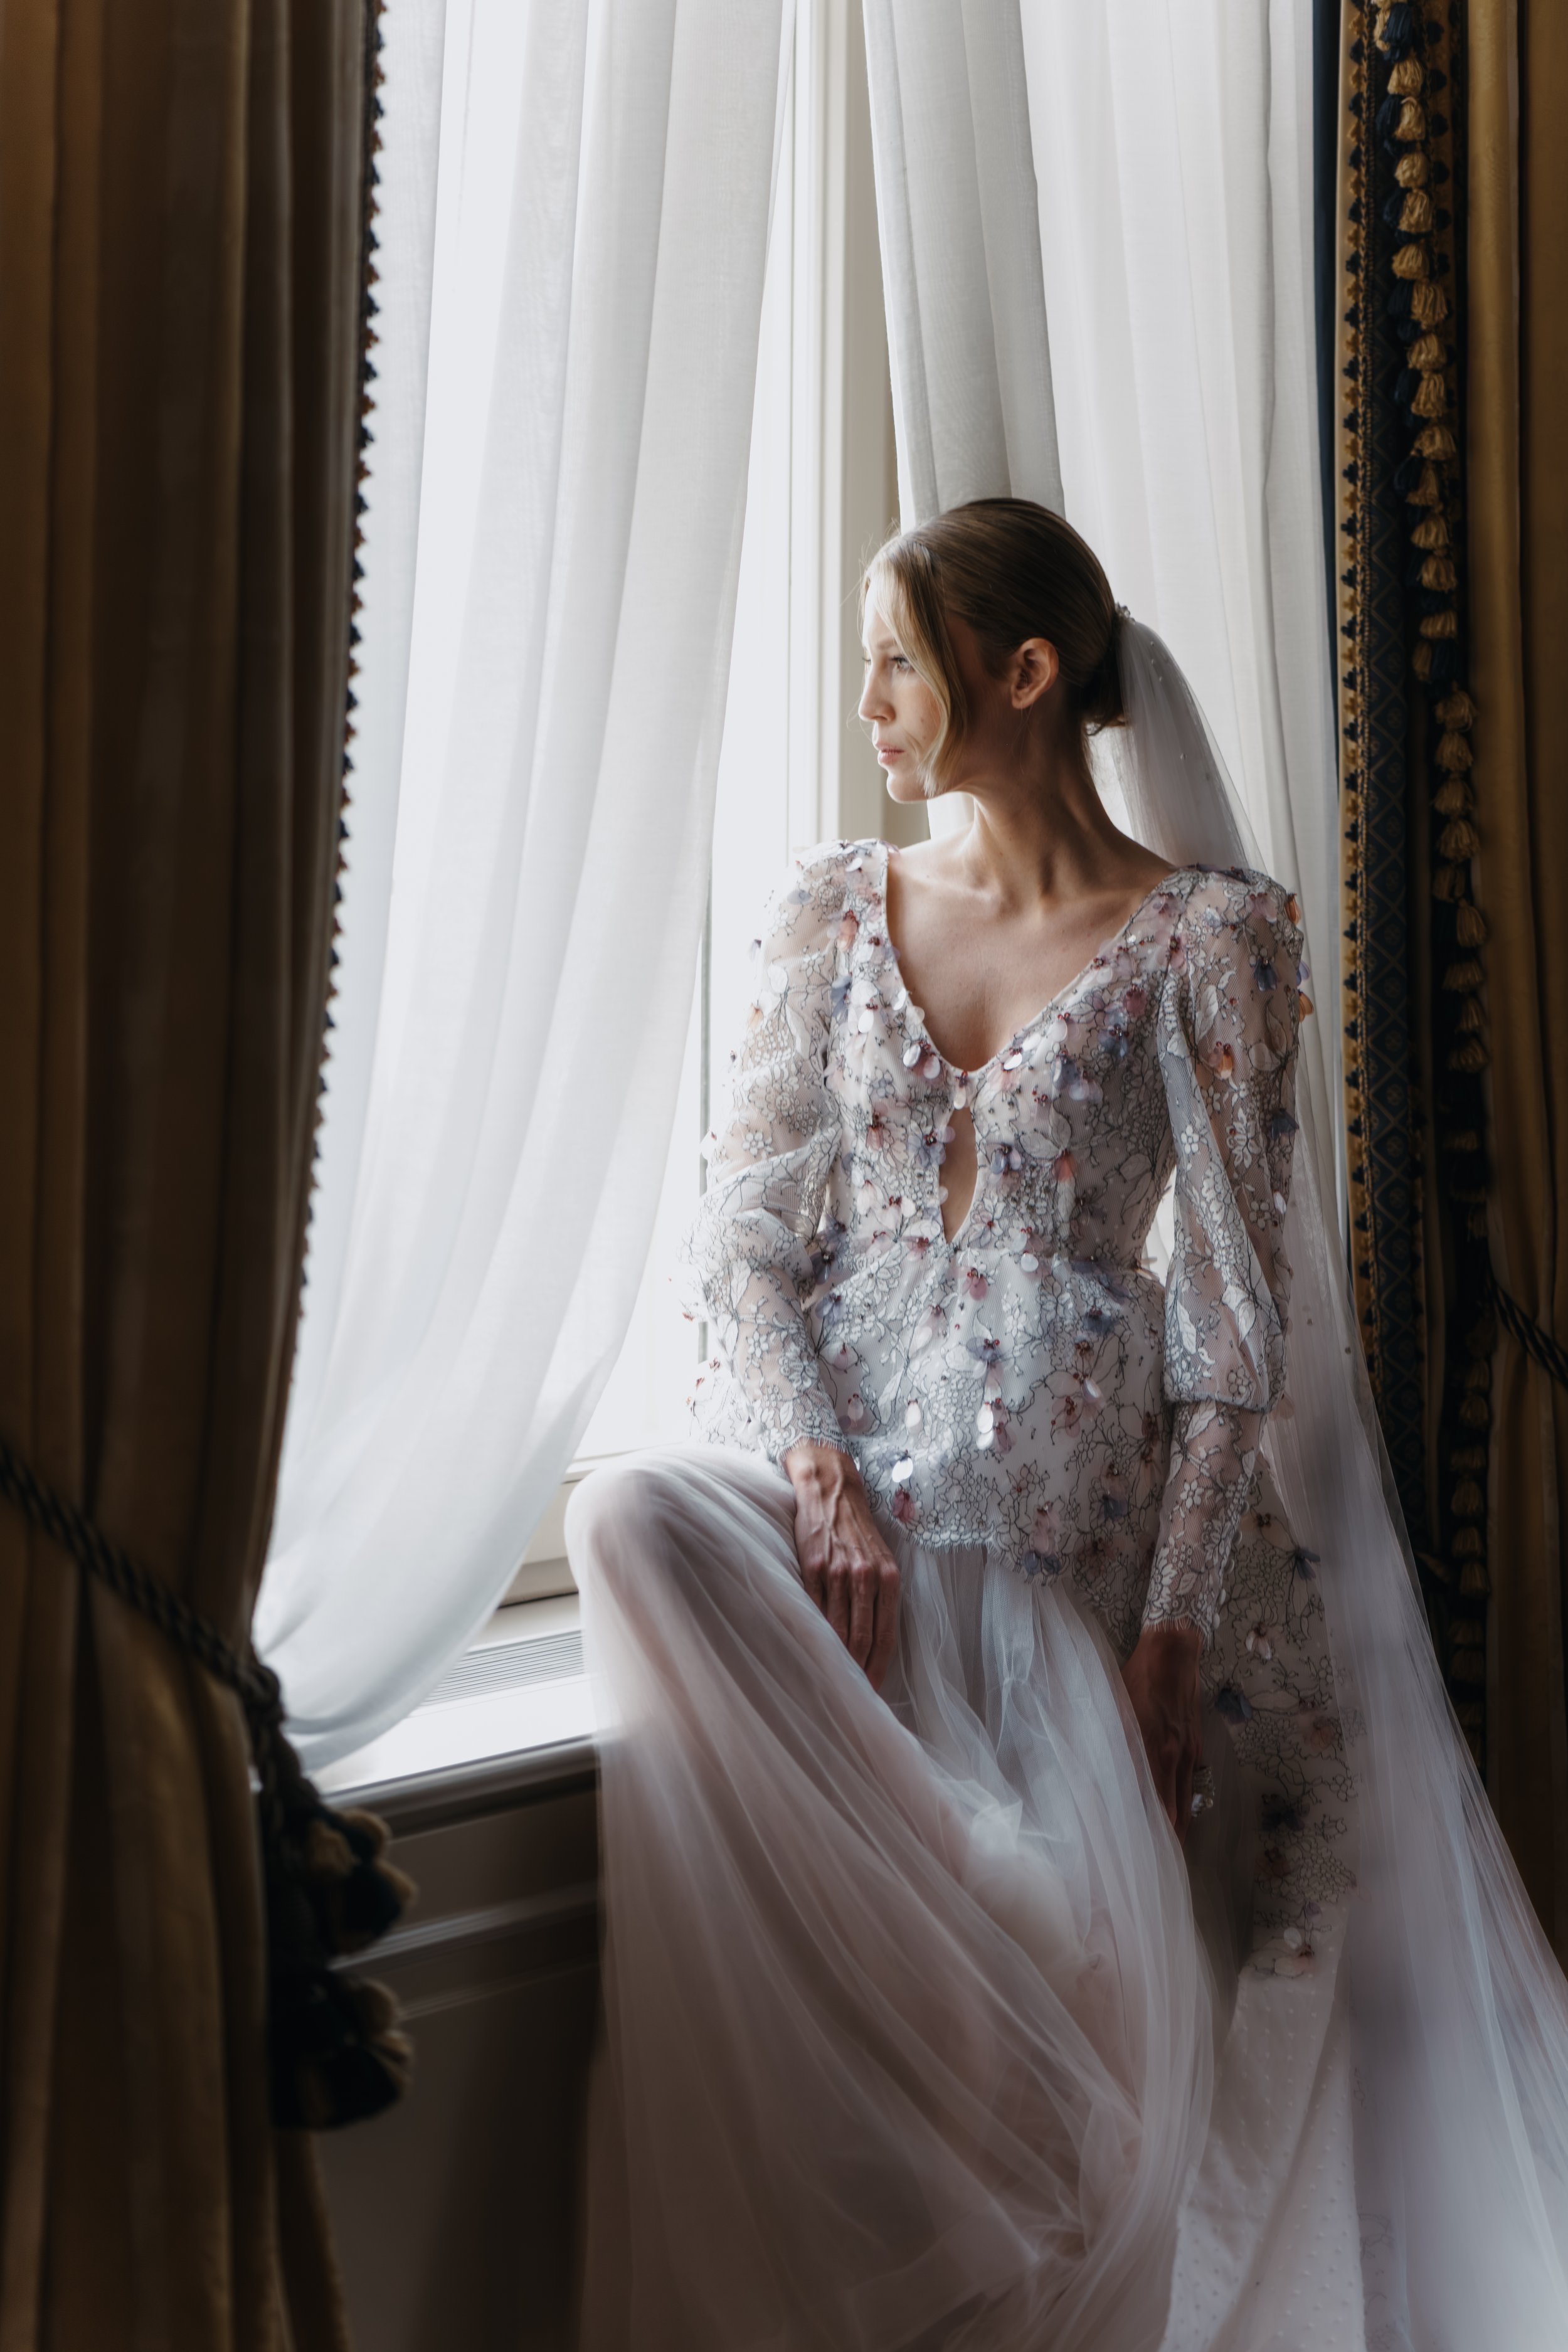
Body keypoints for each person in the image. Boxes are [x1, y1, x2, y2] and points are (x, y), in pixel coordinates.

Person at [569, 501, 1568, 2352]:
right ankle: (956, 1869)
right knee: (627, 1520)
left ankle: (1020, 2092)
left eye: (894, 656)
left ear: (1019, 675)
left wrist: (1175, 1624)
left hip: (1060, 1544)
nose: (865, 695)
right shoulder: (829, 904)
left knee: (1027, 2100)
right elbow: (744, 1232)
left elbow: (1231, 1320)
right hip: (844, 1515)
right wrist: (813, 1472)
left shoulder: (1208, 941)